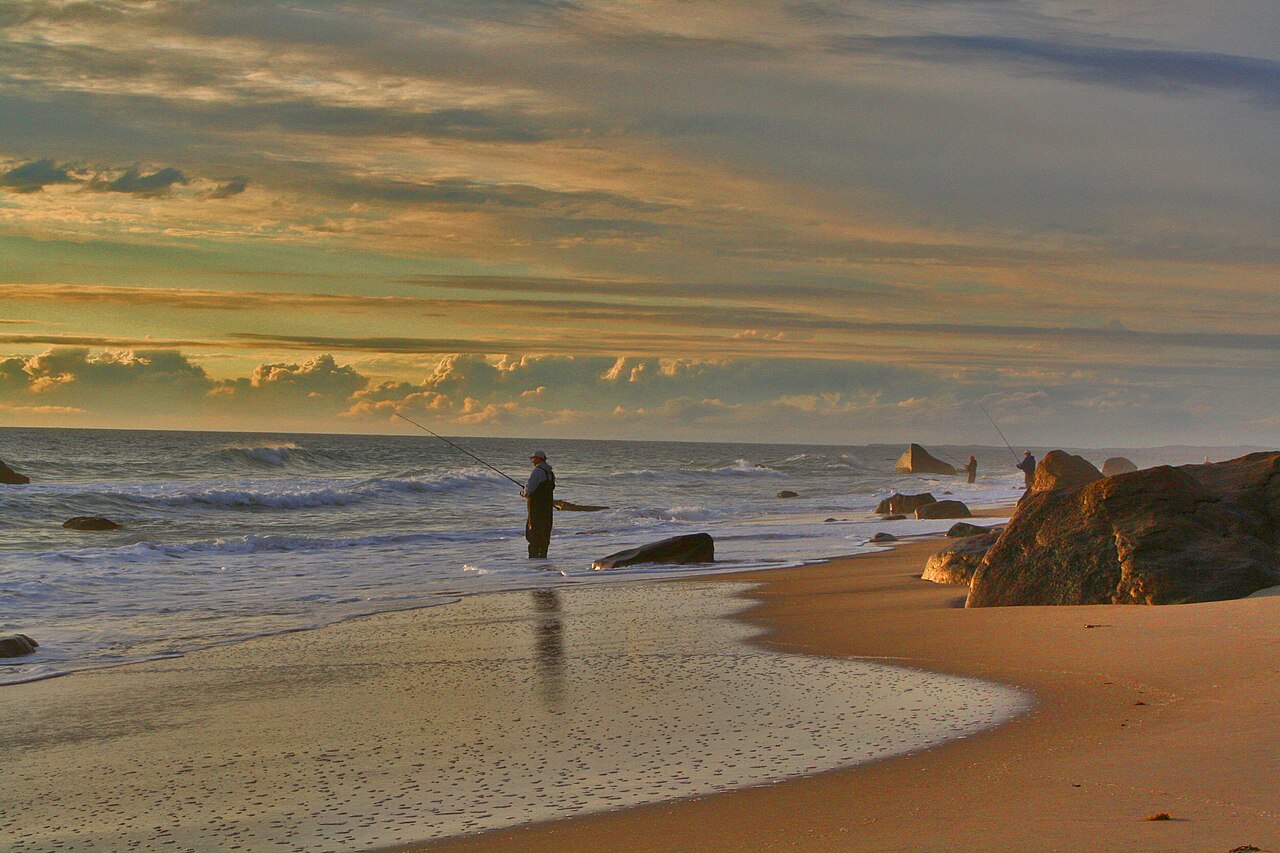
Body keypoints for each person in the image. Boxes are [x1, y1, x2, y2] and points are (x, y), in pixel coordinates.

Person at [521, 450, 555, 558]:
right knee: (545, 533)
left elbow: (530, 489)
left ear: (539, 459)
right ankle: (543, 558)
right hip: (547, 508)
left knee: (533, 534)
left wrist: (524, 493)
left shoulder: (537, 471)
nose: (532, 461)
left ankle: (534, 561)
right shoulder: (550, 473)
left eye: (533, 458)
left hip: (536, 508)